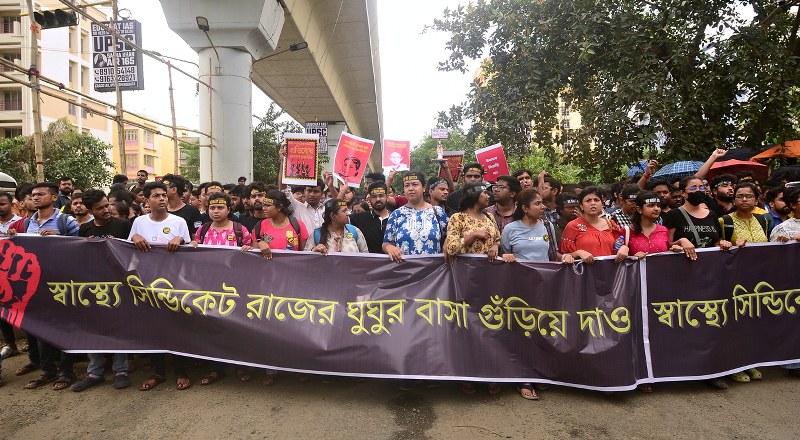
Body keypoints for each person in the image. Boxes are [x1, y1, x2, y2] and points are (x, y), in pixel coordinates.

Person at [500, 188, 573, 400]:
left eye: (542, 203)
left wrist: (566, 257)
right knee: (522, 331)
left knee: (542, 329)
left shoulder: (548, 226)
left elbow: (553, 254)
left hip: (545, 287)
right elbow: (504, 253)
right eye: (538, 204)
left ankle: (539, 372)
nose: (542, 207)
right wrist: (506, 256)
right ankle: (523, 377)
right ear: (524, 208)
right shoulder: (510, 229)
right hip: (518, 289)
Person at [128, 182, 192, 391]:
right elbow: (129, 250)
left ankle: (181, 370)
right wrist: (134, 237)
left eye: (164, 195)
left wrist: (181, 238)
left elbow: (191, 250)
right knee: (153, 326)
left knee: (176, 325)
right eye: (156, 196)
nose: (162, 198)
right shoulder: (138, 222)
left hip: (174, 282)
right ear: (147, 200)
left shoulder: (179, 221)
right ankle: (158, 371)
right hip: (147, 282)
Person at [17, 182, 79, 390]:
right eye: (33, 195)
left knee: (64, 326)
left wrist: (59, 239)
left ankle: (66, 371)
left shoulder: (65, 221)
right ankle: (47, 371)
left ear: (54, 198)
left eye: (40, 194)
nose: (35, 198)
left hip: (62, 282)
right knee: (40, 326)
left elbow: (83, 246)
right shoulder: (27, 223)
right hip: (36, 283)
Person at [70, 189, 133, 392]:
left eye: (107, 205)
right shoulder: (85, 229)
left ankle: (121, 369)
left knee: (119, 327)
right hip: (93, 286)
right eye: (101, 208)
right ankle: (94, 371)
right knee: (93, 327)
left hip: (119, 285)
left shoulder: (123, 225)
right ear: (91, 210)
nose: (107, 210)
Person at [190, 192, 254, 385]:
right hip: (210, 288)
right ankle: (217, 368)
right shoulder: (203, 230)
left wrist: (249, 250)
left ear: (229, 209)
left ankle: (241, 366)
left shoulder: (240, 230)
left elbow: (252, 256)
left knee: (237, 327)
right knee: (213, 328)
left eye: (220, 207)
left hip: (236, 288)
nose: (216, 211)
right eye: (212, 208)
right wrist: (193, 244)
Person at [252, 189, 309, 385]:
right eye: (264, 204)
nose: (263, 207)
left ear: (280, 207)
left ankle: (300, 367)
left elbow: (304, 252)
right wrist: (259, 243)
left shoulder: (297, 225)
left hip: (295, 284)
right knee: (270, 327)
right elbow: (250, 249)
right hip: (267, 285)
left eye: (268, 205)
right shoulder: (260, 226)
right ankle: (271, 370)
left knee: (296, 326)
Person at [383, 171, 448, 262]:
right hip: (404, 271)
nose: (410, 188)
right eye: (407, 186)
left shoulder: (437, 212)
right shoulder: (396, 214)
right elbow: (386, 243)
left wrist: (448, 243)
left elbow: (450, 236)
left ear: (424, 188)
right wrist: (389, 248)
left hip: (433, 272)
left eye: (415, 184)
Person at [559, 186, 621, 263]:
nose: (593, 203)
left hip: (610, 271)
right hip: (583, 273)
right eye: (588, 200)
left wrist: (624, 248)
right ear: (581, 206)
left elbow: (618, 246)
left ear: (602, 204)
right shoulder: (573, 226)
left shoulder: (610, 224)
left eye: (596, 200)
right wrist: (578, 253)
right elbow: (564, 255)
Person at [350, 182, 392, 254]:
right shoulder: (359, 218)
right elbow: (337, 214)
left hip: (394, 264)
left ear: (387, 197)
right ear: (369, 199)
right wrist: (340, 191)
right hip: (368, 264)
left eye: (381, 196)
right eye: (374, 196)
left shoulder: (396, 218)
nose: (378, 199)